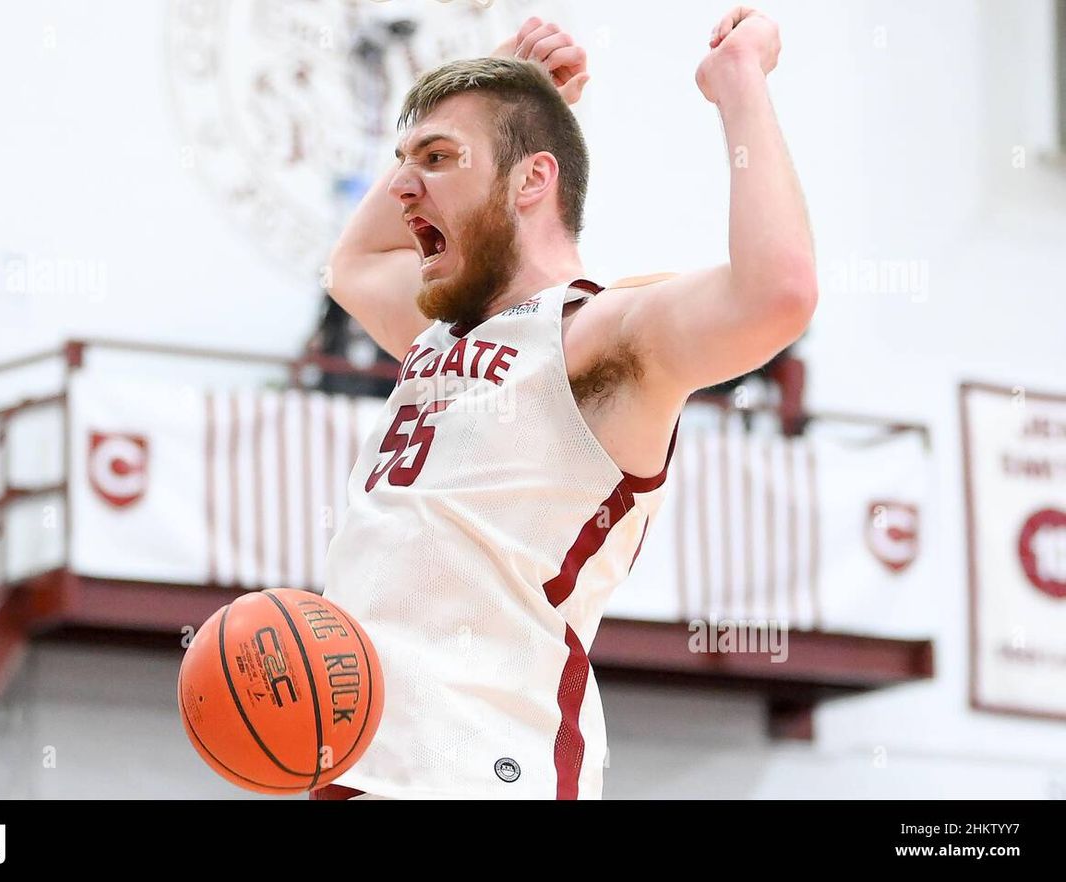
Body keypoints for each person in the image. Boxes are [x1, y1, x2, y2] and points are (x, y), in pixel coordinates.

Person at [313, 7, 817, 799]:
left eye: (438, 158)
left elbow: (778, 294)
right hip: (356, 771)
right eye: (401, 161)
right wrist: (501, 70)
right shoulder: (435, 332)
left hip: (481, 774)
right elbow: (354, 261)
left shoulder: (596, 334)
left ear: (532, 180)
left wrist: (740, 83)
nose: (402, 187)